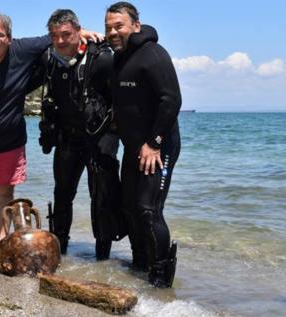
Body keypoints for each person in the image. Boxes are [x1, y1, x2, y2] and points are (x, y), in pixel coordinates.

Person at [0, 10, 103, 268]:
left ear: (10, 39)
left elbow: (57, 36)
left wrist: (83, 32)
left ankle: (2, 247)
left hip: (8, 141)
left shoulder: (23, 50)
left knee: (3, 195)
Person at [37, 9, 126, 260]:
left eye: (66, 34)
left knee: (102, 196)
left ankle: (102, 259)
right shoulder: (49, 60)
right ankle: (59, 250)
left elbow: (126, 94)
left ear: (79, 31)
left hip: (101, 137)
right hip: (68, 137)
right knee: (62, 193)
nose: (61, 41)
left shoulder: (103, 59)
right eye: (55, 36)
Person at [105, 2, 181, 288]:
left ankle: (161, 278)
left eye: (119, 26)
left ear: (135, 25)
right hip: (134, 147)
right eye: (109, 27)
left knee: (148, 209)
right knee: (129, 207)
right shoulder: (120, 57)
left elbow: (171, 99)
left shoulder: (153, 54)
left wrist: (154, 143)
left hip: (158, 147)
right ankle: (140, 265)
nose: (113, 32)